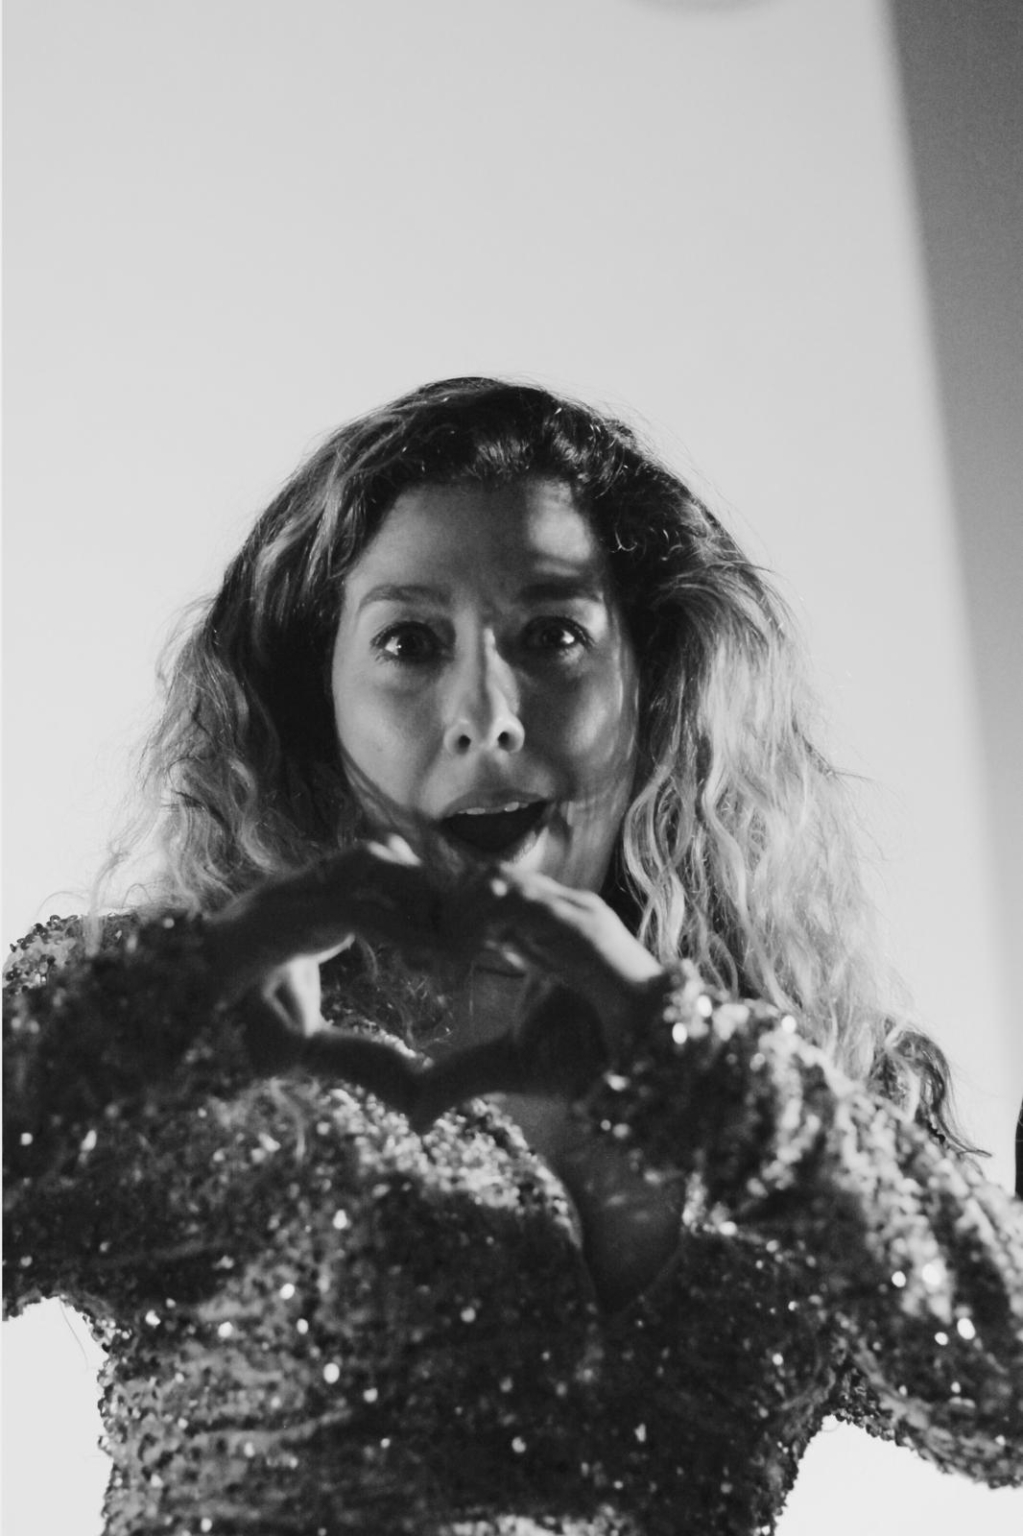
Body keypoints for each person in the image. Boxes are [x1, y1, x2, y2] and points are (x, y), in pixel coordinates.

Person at [4, 377, 1022, 1536]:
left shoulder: (802, 1092)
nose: (488, 713)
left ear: (651, 680)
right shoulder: (166, 1041)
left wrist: (700, 1070)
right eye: (409, 643)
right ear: (316, 698)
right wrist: (178, 989)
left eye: (552, 637)